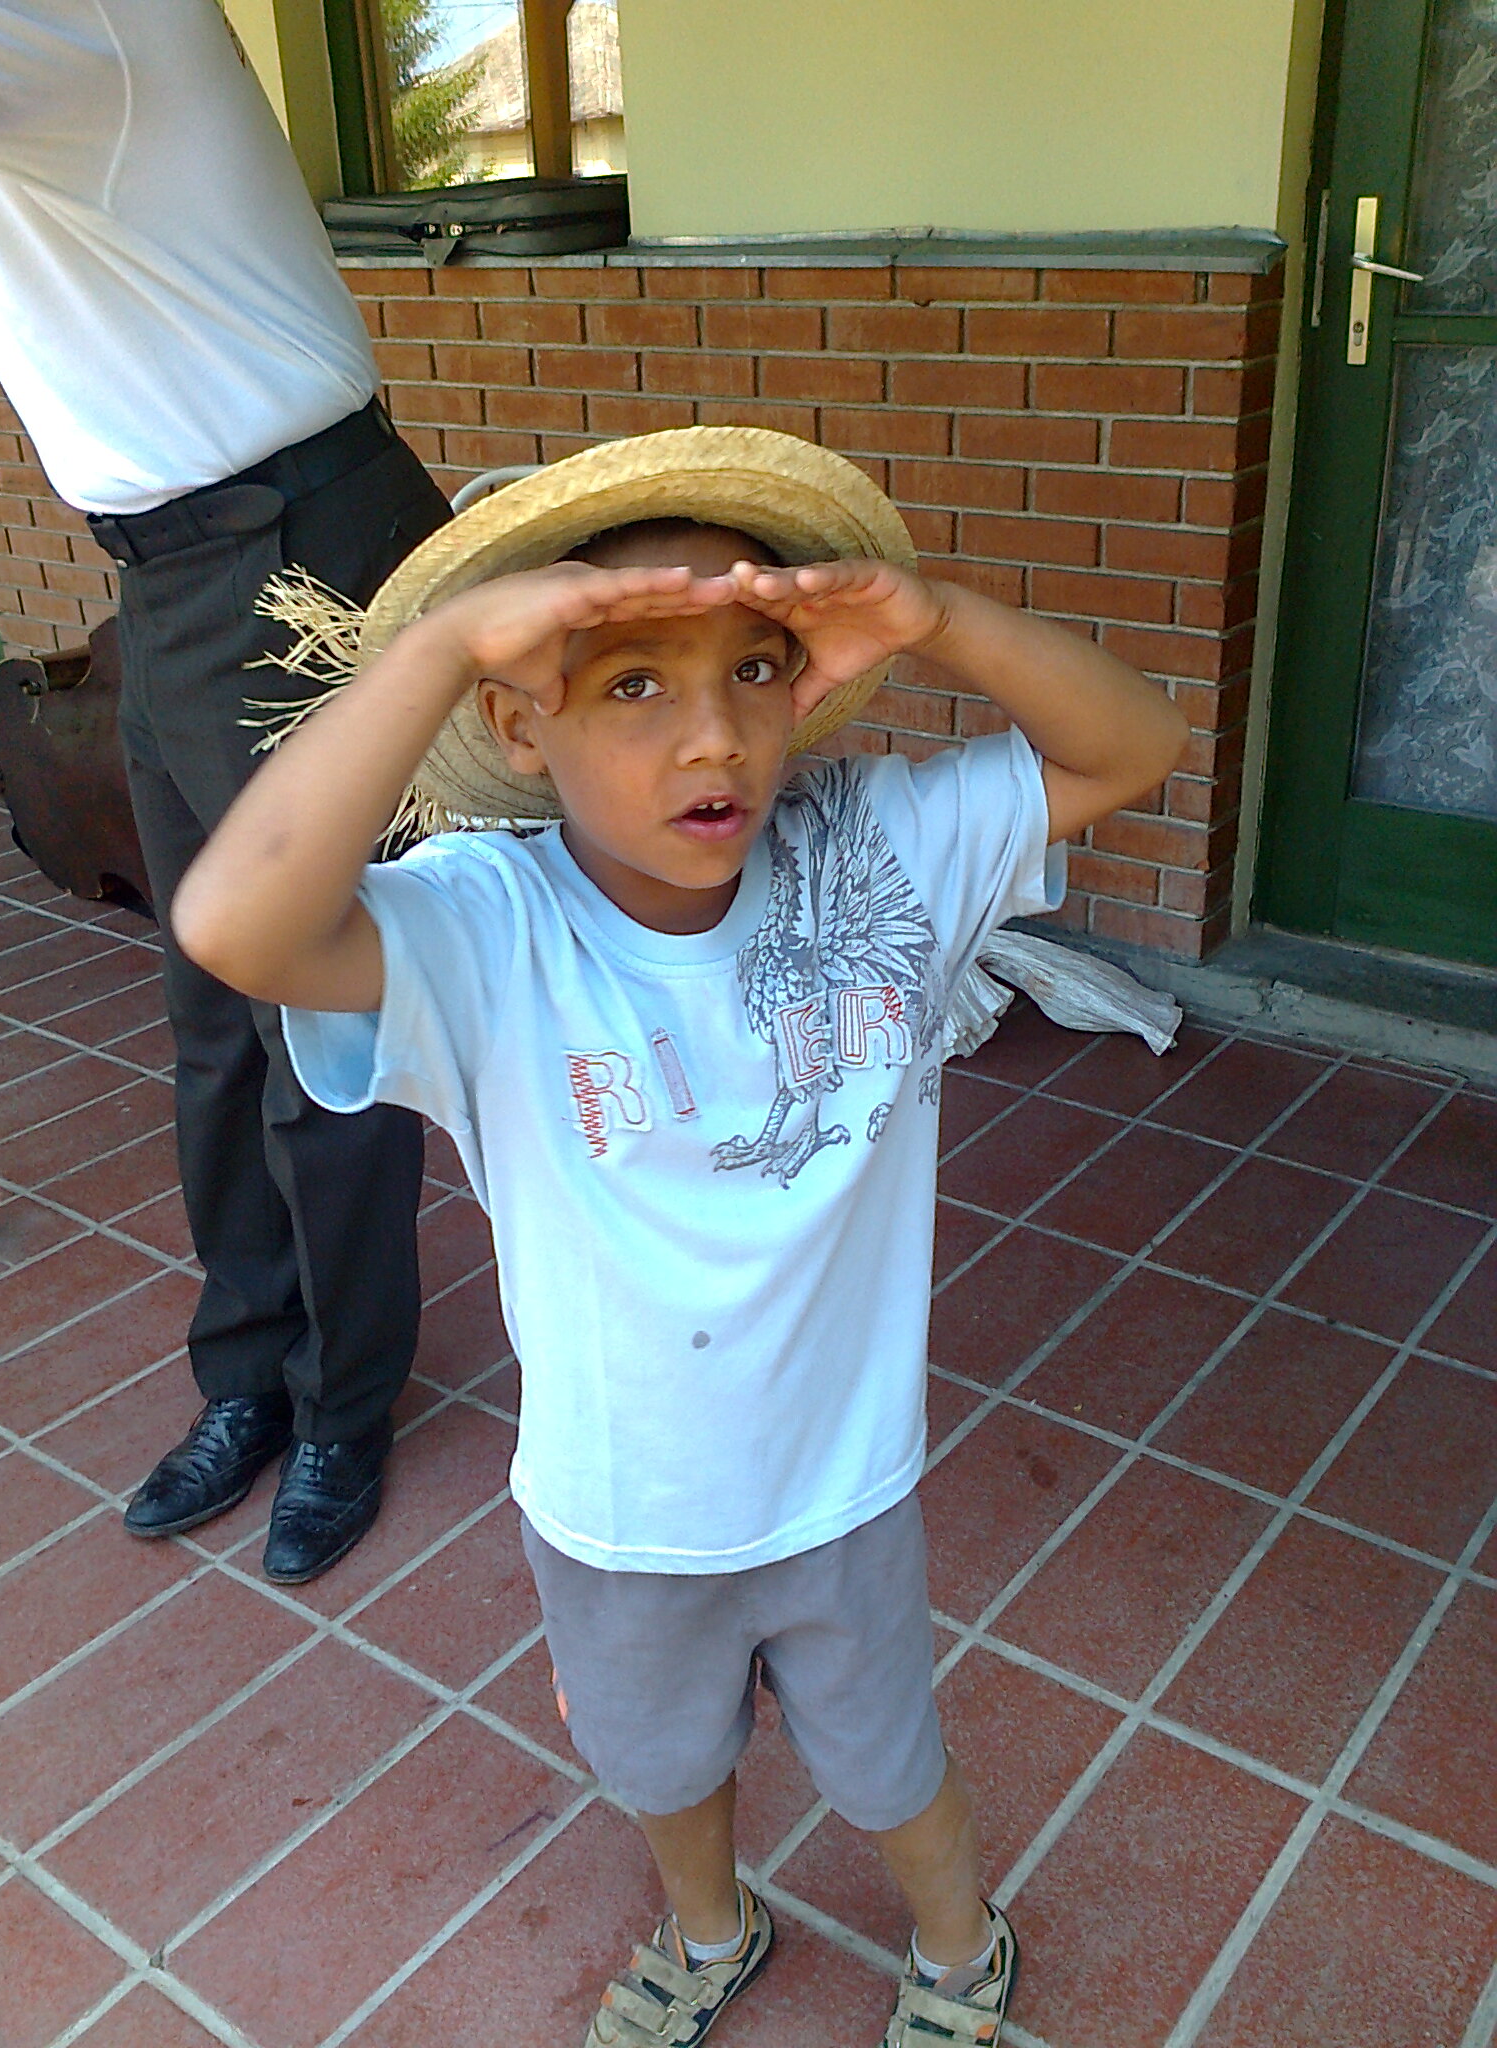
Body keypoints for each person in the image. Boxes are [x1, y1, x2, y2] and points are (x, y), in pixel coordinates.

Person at [170, 427, 1189, 2046]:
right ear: (520, 721)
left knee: (888, 1765)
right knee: (659, 1766)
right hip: (619, 1508)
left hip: (841, 1485)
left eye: (755, 671)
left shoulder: (877, 851)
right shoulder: (488, 925)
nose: (714, 734)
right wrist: (434, 648)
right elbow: (236, 923)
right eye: (633, 683)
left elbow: (1138, 742)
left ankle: (956, 1947)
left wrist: (932, 618)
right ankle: (714, 1931)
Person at [0, 0, 451, 1580]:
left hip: (292, 545)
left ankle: (344, 1402)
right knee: (212, 1018)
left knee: (316, 1019)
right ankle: (250, 1373)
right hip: (175, 569)